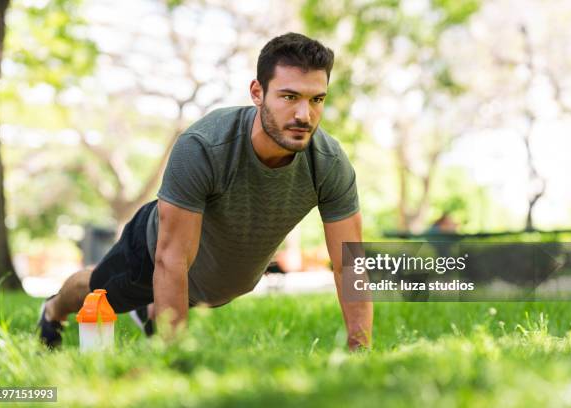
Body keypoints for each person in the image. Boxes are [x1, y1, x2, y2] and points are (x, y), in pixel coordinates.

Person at [38, 32, 373, 350]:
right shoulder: (204, 146)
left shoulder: (328, 163)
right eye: (289, 97)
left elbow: (350, 265)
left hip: (215, 284)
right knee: (96, 288)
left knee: (174, 295)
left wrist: (361, 354)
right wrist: (177, 357)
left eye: (317, 99)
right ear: (257, 92)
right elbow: (170, 261)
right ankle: (53, 310)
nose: (305, 115)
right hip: (154, 252)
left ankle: (153, 310)